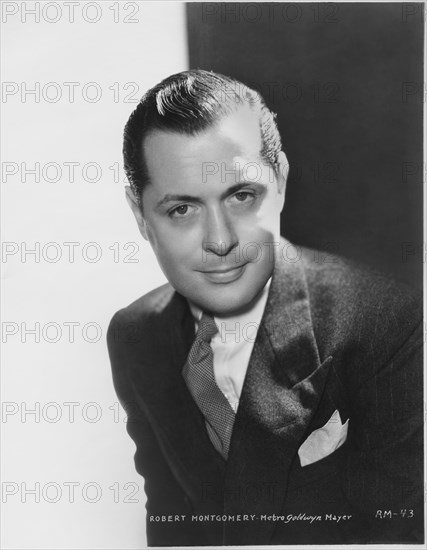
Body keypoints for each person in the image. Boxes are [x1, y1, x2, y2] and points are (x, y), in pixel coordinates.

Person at [107, 70, 423, 546]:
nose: (220, 241)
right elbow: (169, 516)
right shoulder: (134, 335)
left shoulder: (389, 322)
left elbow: (401, 533)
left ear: (280, 182)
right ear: (139, 215)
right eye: (181, 210)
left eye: (241, 195)